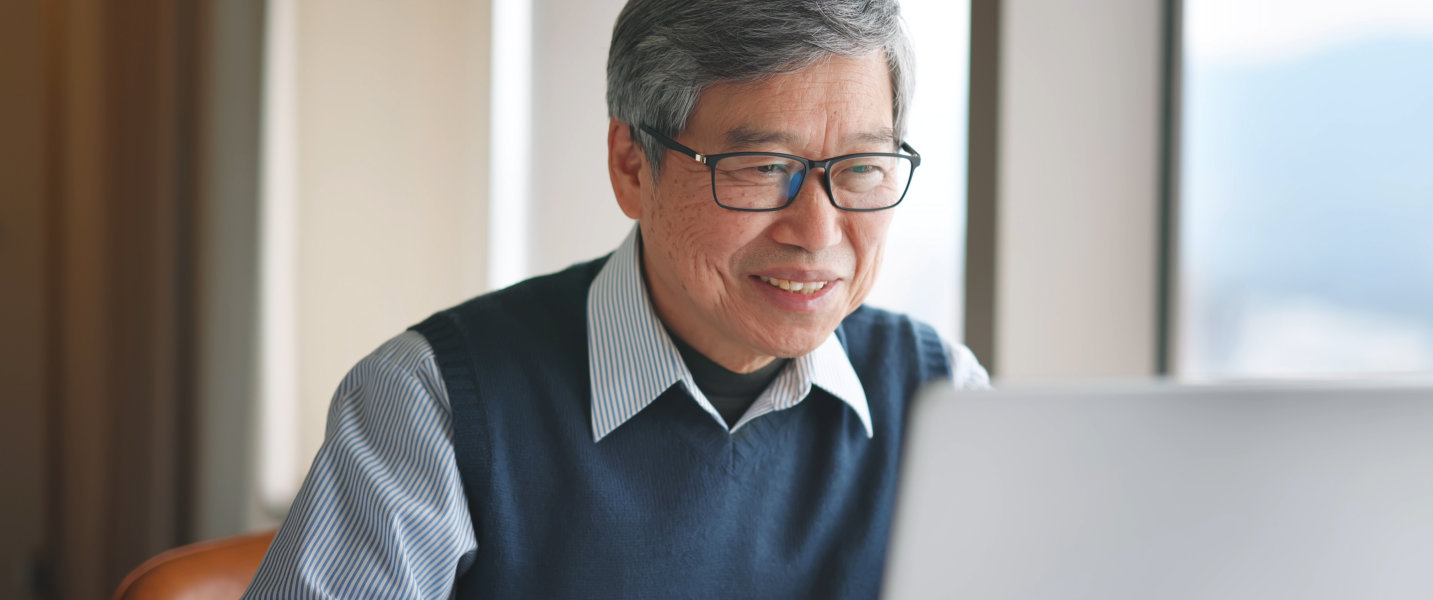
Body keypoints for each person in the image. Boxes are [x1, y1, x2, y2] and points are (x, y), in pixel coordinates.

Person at [243, 1, 987, 597]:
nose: (818, 231)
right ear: (632, 165)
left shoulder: (944, 400)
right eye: (763, 166)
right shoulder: (429, 405)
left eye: (860, 167)